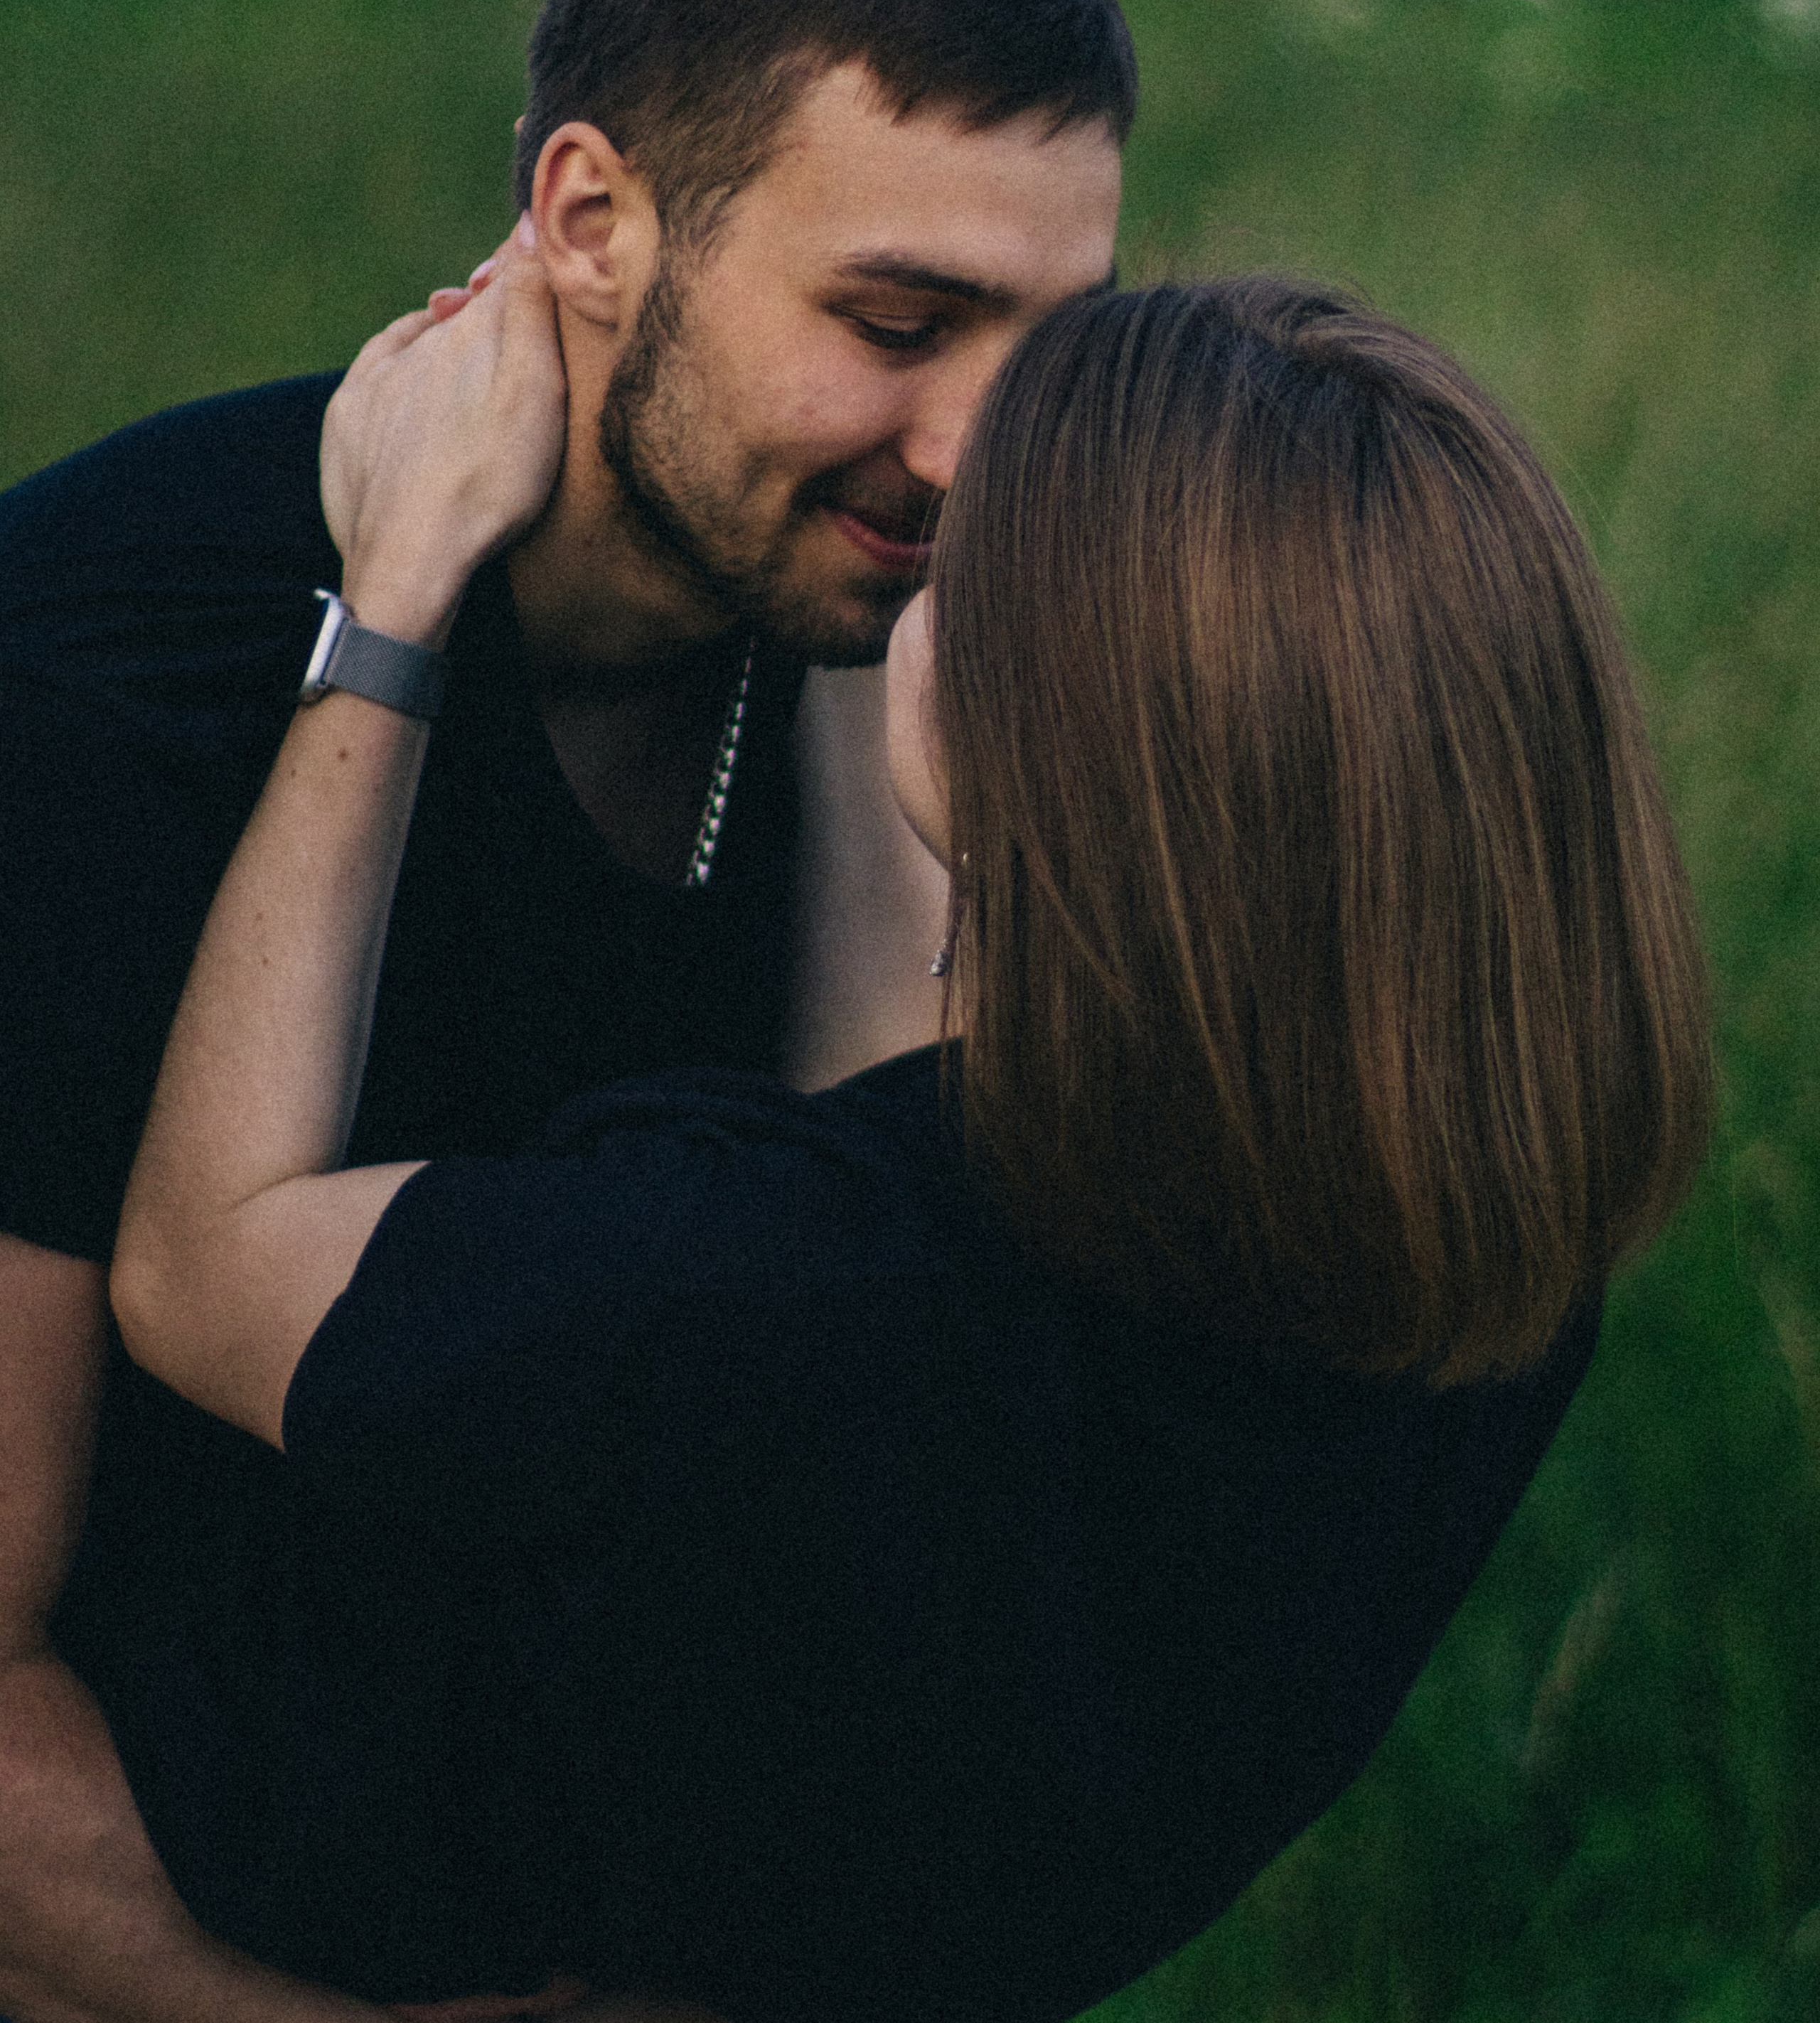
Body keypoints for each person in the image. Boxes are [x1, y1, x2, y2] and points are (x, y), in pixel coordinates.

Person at [106, 255, 1714, 2023]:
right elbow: (916, 1105)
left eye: (971, 557)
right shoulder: (1494, 1289)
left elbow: (206, 1262)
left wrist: (394, 595)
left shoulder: (751, 1287)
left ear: (1067, 731)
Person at [0, 0, 1130, 2023]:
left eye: (1057, 347)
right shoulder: (109, 688)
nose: (988, 454)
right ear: (594, 224)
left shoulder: (880, 641)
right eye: (901, 327)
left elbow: (880, 1334)